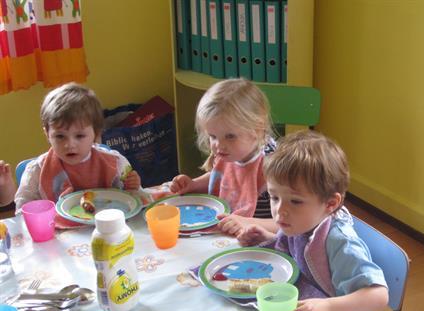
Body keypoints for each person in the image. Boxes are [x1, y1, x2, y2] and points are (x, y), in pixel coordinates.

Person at [237, 130, 388, 311]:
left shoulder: (340, 243)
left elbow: (379, 295)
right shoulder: (301, 222)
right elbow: (304, 254)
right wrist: (268, 238)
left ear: (330, 204)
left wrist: (328, 308)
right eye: (274, 197)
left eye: (295, 201)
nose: (280, 210)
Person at [170, 78, 278, 235]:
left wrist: (245, 222)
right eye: (213, 136)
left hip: (262, 243)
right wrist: (193, 184)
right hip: (226, 235)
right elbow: (226, 178)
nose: (218, 145)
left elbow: (291, 225)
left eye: (230, 136)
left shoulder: (273, 166)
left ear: (257, 129)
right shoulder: (231, 151)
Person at [14, 83, 141, 212]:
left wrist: (133, 187)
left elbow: (135, 201)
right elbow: (22, 211)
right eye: (60, 136)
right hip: (58, 230)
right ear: (47, 134)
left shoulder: (116, 164)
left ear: (96, 134)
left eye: (79, 136)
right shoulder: (37, 171)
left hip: (105, 228)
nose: (69, 144)